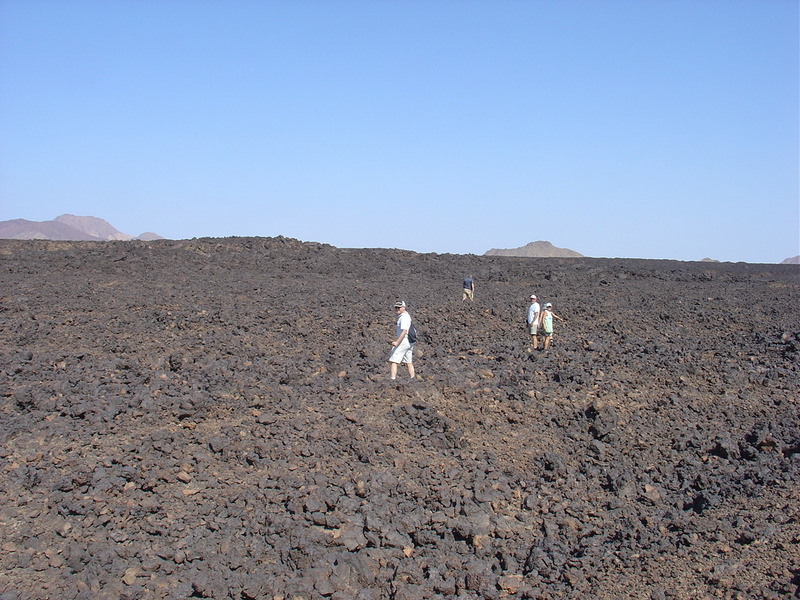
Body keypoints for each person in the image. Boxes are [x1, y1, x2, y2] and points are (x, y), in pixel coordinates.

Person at [389, 300, 415, 380]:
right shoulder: (406, 315)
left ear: (404, 308)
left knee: (394, 360)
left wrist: (397, 342)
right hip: (410, 342)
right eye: (396, 307)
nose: (397, 309)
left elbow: (404, 331)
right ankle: (413, 378)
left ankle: (392, 380)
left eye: (399, 307)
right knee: (408, 361)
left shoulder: (403, 317)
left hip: (404, 341)